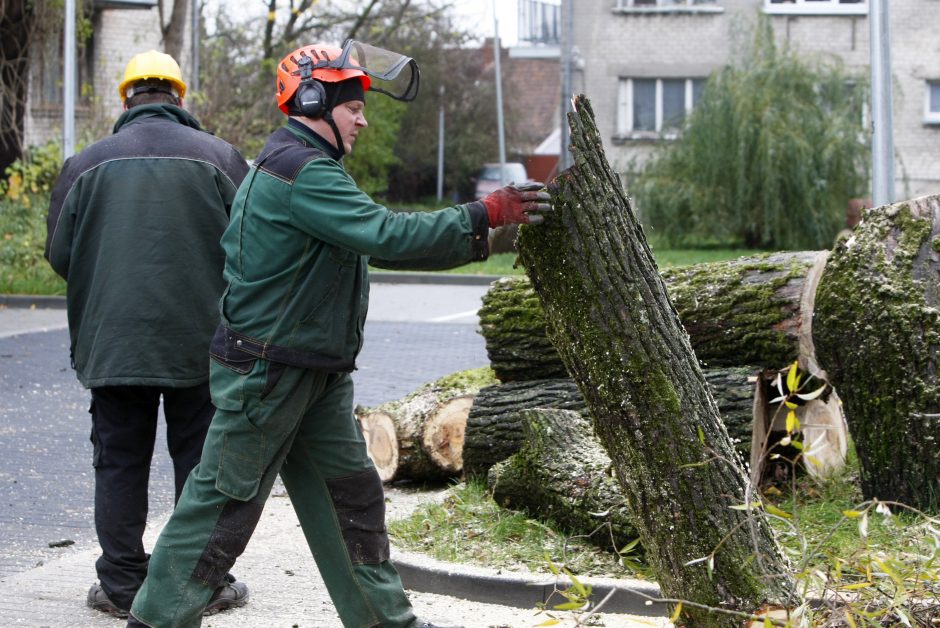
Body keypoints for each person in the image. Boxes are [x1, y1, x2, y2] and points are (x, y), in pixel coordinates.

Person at [124, 41, 550, 628]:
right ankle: (157, 619)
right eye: (353, 107)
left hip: (313, 372)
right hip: (270, 376)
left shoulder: (309, 169)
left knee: (351, 502)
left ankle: (384, 620)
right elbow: (387, 234)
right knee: (222, 506)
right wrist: (484, 216)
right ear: (314, 100)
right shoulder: (300, 172)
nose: (363, 118)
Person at [45, 50, 251, 618]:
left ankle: (120, 586)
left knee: (119, 462)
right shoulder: (221, 158)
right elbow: (254, 248)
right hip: (201, 342)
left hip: (112, 345)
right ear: (180, 98)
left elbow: (61, 254)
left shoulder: (84, 163)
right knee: (200, 464)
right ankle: (197, 584)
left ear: (126, 99)